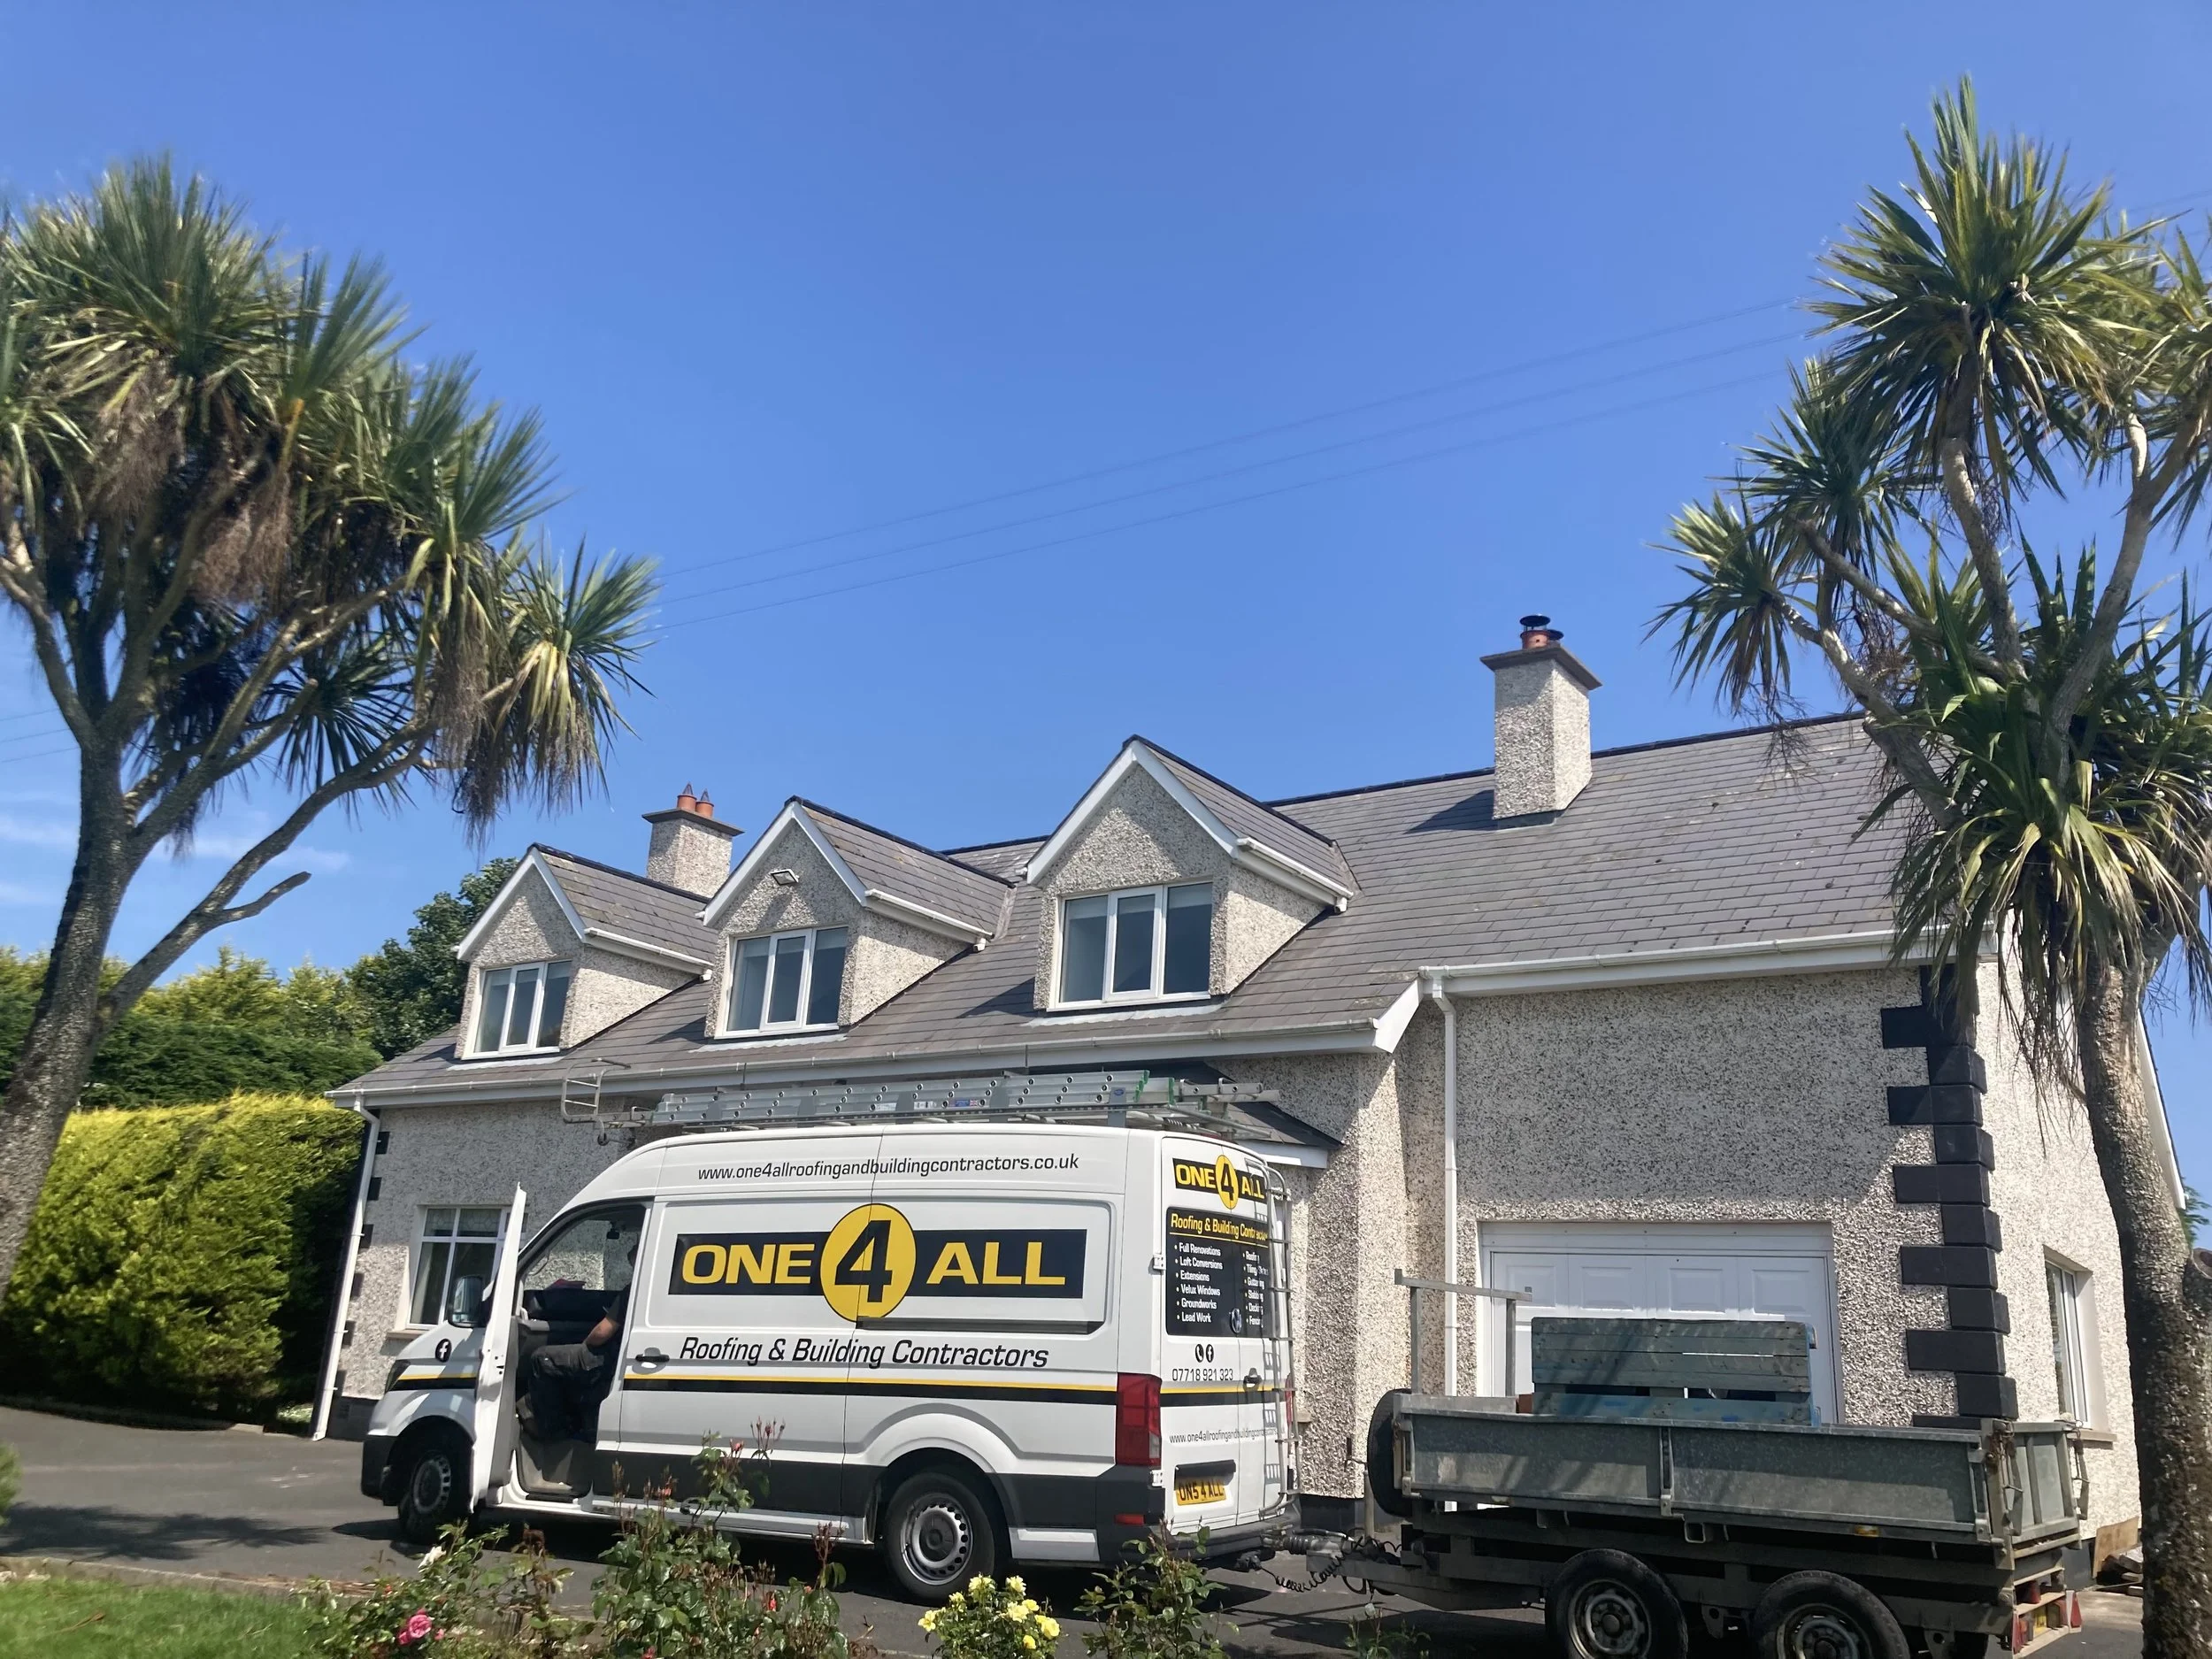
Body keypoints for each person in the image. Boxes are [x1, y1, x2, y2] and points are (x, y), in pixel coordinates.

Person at [520, 1237, 634, 1443]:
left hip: (610, 1359)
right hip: (623, 1357)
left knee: (543, 1359)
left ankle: (551, 1431)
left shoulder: (636, 1289)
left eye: (636, 1248)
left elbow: (602, 1332)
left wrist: (586, 1345)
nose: (631, 1252)